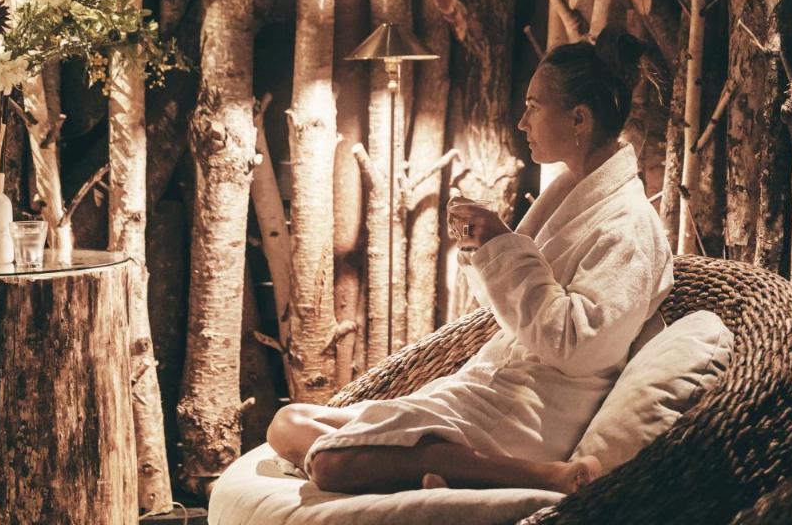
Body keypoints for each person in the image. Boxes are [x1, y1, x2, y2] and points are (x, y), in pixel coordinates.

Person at [266, 27, 674, 495]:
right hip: (490, 384)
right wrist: (486, 249)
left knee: (333, 466)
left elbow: (581, 346)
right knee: (287, 423)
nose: (523, 123)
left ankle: (543, 476)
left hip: (533, 408)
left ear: (579, 119)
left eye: (533, 107)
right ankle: (433, 465)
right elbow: (516, 305)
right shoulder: (567, 198)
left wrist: (502, 244)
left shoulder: (630, 226)